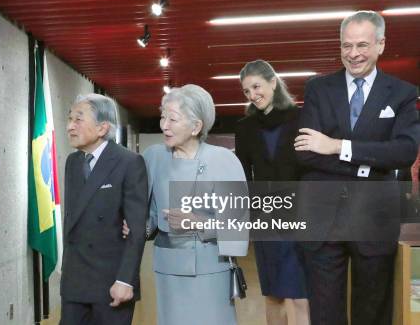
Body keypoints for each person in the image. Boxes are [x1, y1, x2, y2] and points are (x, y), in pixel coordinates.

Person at [294, 10, 419, 325]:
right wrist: (372, 164)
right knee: (324, 313)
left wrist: (337, 146)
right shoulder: (317, 89)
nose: (353, 54)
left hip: (375, 217)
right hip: (323, 218)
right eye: (346, 45)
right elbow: (307, 153)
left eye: (362, 45)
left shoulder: (403, 94)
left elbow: (405, 151)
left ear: (381, 45)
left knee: (373, 311)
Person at [143, 84, 248, 325]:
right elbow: (150, 216)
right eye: (162, 117)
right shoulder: (153, 157)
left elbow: (239, 227)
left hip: (211, 269)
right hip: (167, 268)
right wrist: (138, 228)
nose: (164, 125)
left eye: (173, 119)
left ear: (196, 126)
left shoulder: (223, 160)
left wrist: (198, 222)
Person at [60, 93, 149, 325]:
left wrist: (126, 280)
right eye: (69, 119)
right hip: (75, 281)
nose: (70, 126)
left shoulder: (129, 162)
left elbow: (137, 229)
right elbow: (73, 220)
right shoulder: (73, 162)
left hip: (111, 281)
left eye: (78, 119)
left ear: (102, 128)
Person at [235, 60, 309, 325]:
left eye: (256, 86)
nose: (253, 95)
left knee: (301, 296)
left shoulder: (302, 118)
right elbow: (242, 176)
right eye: (246, 91)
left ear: (273, 82)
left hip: (301, 219)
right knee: (273, 296)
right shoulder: (245, 128)